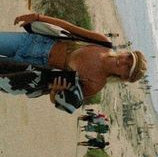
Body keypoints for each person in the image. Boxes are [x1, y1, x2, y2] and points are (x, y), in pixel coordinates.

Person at [0, 13, 148, 113]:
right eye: (128, 56)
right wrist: (38, 17)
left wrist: (55, 91)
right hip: (34, 43)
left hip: (29, 69)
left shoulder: (95, 84)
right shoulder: (103, 43)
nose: (123, 61)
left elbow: (57, 101)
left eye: (128, 67)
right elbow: (69, 28)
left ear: (124, 77)